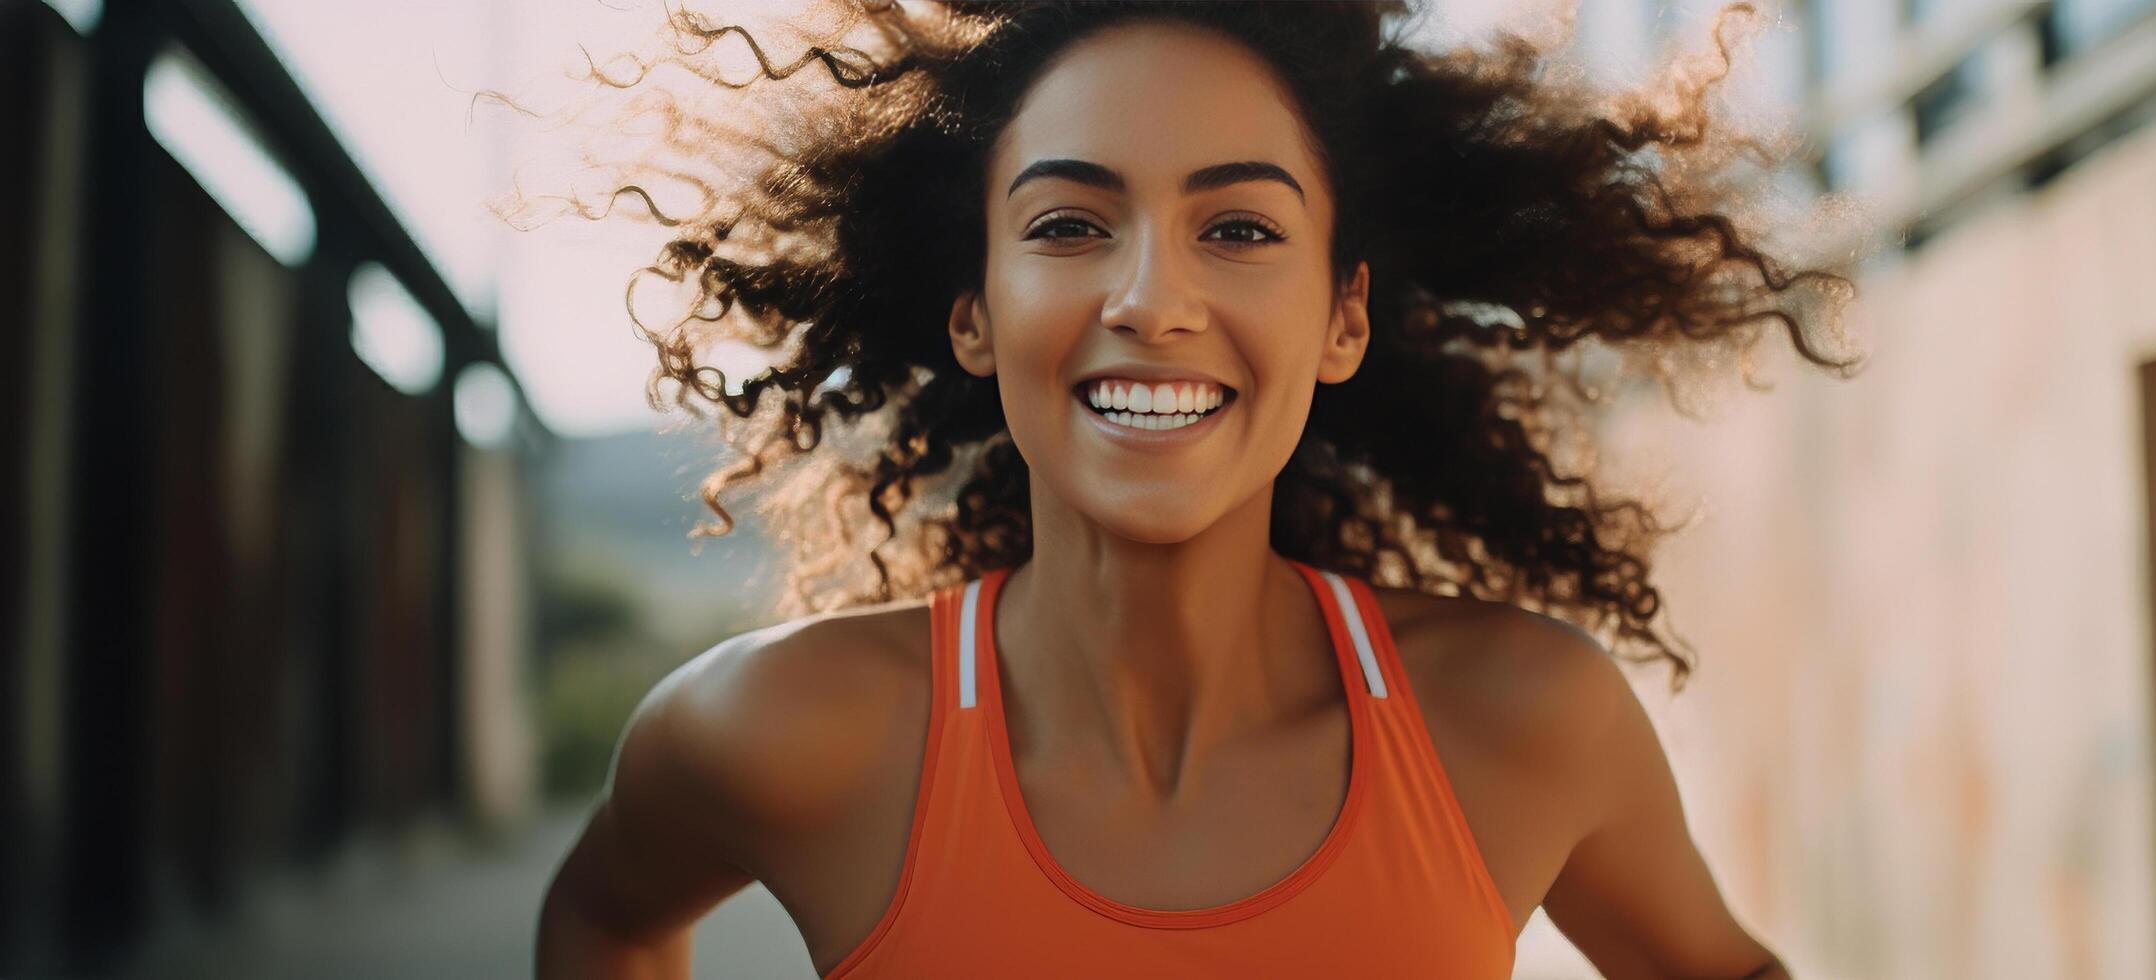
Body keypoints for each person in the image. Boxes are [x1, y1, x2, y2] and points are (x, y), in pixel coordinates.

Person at [533, 1, 1855, 976]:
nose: (1152, 300)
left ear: (1343, 323)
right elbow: (603, 920)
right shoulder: (776, 734)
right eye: (1067, 225)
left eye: (1238, 229)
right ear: (976, 314)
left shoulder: (1524, 723)